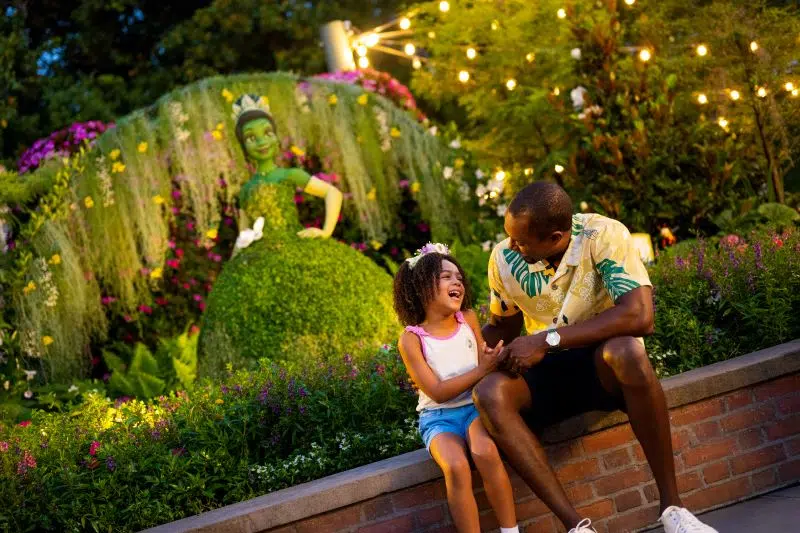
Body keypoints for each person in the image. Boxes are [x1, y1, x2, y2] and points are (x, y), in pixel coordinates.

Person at [475, 182, 717, 533]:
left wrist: (545, 340)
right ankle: (577, 527)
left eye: (521, 241)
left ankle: (673, 510)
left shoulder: (603, 234)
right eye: (510, 237)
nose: (511, 246)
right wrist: (462, 354)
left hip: (601, 362)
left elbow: (639, 316)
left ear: (556, 236)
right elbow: (504, 325)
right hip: (548, 371)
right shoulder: (504, 258)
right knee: (489, 393)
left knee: (627, 352)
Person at [198, 94, 398, 376]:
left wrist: (325, 230)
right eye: (251, 138)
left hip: (296, 242)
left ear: (276, 137)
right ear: (244, 146)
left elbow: (332, 192)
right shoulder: (245, 191)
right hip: (259, 256)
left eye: (267, 133)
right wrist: (235, 262)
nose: (261, 141)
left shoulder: (288, 175)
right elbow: (246, 230)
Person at [393, 242, 520, 533]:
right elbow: (436, 392)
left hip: (475, 407)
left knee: (485, 452)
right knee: (455, 466)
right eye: (446, 277)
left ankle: (511, 531)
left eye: (459, 278)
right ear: (422, 287)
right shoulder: (411, 339)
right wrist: (482, 369)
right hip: (438, 418)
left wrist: (492, 361)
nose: (457, 282)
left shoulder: (468, 320)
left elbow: (482, 364)